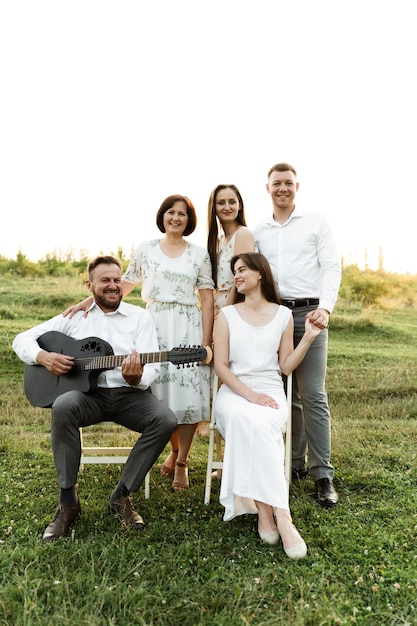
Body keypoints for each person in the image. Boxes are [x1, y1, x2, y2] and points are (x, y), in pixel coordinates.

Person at [13, 255, 177, 542]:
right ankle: (68, 503)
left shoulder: (140, 318)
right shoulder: (74, 317)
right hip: (88, 397)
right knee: (64, 406)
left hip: (128, 395)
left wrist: (136, 377)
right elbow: (22, 339)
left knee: (165, 419)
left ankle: (121, 495)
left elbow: (152, 368)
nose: (112, 285)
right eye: (105, 280)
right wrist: (44, 356)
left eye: (116, 280)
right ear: (90, 284)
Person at [63, 195, 215, 491]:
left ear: (189, 219)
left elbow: (207, 297)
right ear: (163, 216)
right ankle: (169, 451)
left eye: (182, 214)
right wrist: (86, 302)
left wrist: (206, 342)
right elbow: (123, 285)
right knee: (157, 394)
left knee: (185, 399)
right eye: (171, 212)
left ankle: (181, 461)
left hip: (187, 326)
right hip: (154, 323)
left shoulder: (198, 254)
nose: (176, 218)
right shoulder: (146, 249)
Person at [213, 253, 323, 559]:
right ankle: (276, 513)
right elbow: (221, 367)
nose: (237, 275)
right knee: (243, 418)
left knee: (261, 423)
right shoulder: (227, 315)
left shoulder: (283, 316)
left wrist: (309, 336)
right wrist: (248, 395)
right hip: (234, 392)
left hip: (271, 391)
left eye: (243, 269)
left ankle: (272, 513)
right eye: (235, 271)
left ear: (260, 273)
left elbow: (286, 366)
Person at [253, 163, 342, 508]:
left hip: (309, 313)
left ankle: (323, 475)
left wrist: (326, 307)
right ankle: (292, 463)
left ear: (297, 186)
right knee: (284, 392)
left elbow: (331, 266)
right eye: (277, 183)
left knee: (312, 393)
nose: (283, 188)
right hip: (273, 314)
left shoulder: (316, 222)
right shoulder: (258, 230)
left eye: (288, 183)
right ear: (268, 188)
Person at [207, 184, 256, 315]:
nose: (227, 207)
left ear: (239, 205)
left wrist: (226, 315)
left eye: (232, 202)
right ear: (214, 208)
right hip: (221, 309)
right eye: (221, 203)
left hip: (237, 310)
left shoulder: (243, 234)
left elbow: (242, 280)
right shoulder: (218, 241)